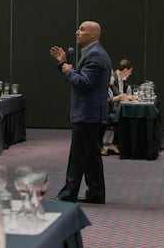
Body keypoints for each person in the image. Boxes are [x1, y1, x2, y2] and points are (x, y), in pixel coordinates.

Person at [50, 20, 110, 204]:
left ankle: (68, 194)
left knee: (78, 156)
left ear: (93, 35)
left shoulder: (95, 55)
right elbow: (83, 78)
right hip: (92, 113)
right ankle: (96, 192)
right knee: (91, 154)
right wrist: (64, 65)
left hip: (87, 114)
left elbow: (84, 82)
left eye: (82, 30)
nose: (77, 32)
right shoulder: (94, 53)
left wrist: (67, 70)